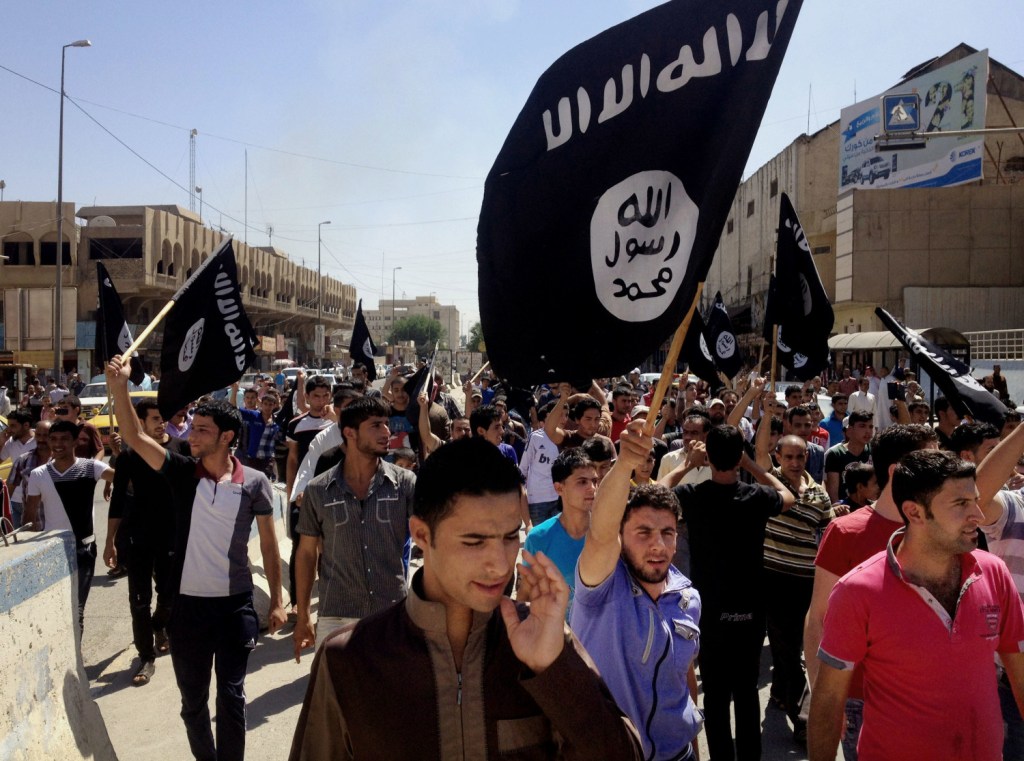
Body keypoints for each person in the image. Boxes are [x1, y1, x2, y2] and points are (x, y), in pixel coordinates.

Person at [289, 437, 643, 760]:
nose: (500, 563)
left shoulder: (543, 643)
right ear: (421, 535)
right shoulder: (350, 659)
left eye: (509, 537)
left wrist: (554, 671)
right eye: (474, 542)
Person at [106, 355, 286, 761]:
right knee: (193, 705)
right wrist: (120, 387)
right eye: (192, 427)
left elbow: (271, 547)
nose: (191, 435)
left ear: (226, 437)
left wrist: (277, 598)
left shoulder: (255, 484)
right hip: (186, 612)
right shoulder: (181, 473)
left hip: (234, 607)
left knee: (231, 697)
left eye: (202, 430)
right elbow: (135, 437)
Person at [808, 450, 1024, 761]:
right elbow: (828, 702)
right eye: (961, 504)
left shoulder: (993, 573)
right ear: (915, 513)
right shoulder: (857, 591)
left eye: (974, 500)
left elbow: (1020, 673)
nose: (977, 514)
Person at [803, 424, 939, 761]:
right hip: (861, 700)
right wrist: (824, 700)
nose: (942, 472)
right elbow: (818, 617)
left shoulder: (943, 532)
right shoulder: (845, 532)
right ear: (896, 472)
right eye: (931, 462)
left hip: (932, 698)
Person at [571, 423, 702, 760]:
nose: (657, 545)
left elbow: (684, 681)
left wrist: (694, 745)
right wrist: (625, 463)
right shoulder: (602, 586)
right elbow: (600, 530)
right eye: (643, 532)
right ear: (621, 534)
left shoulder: (688, 598)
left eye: (667, 533)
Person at [674, 424, 794, 761]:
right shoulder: (755, 497)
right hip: (750, 607)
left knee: (714, 692)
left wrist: (686, 464)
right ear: (738, 457)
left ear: (708, 457)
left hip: (709, 609)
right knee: (745, 688)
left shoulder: (693, 496)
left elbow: (655, 489)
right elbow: (789, 496)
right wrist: (753, 466)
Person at [292, 397, 416, 655]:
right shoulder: (318, 490)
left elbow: (432, 541)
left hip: (391, 613)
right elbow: (305, 554)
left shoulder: (405, 484)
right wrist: (303, 614)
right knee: (337, 694)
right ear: (349, 433)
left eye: (386, 424)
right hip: (335, 616)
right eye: (376, 425)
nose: (386, 432)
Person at [104, 398, 192, 685]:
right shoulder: (129, 457)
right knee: (138, 601)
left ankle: (159, 625)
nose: (160, 424)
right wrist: (109, 541)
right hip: (137, 536)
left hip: (173, 535)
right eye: (154, 419)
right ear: (140, 422)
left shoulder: (182, 449)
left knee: (169, 595)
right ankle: (146, 658)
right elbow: (117, 501)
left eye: (162, 418)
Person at [756, 427, 833, 743]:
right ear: (778, 457)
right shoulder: (772, 483)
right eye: (788, 456)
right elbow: (758, 453)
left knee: (793, 646)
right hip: (772, 578)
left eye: (800, 456)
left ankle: (779, 693)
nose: (795, 461)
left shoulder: (819, 494)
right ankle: (804, 719)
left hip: (805, 580)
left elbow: (828, 535)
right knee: (787, 648)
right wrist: (768, 411)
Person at [23, 420, 115, 632]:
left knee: (77, 609)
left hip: (84, 550)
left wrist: (119, 453)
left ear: (76, 442)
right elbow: (30, 518)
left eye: (64, 439)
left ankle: (76, 662)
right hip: (53, 550)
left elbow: (125, 480)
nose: (58, 444)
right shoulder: (38, 474)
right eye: (53, 439)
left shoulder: (91, 467)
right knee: (58, 609)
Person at [524, 449, 598, 619]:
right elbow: (527, 596)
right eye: (582, 482)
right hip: (558, 639)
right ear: (559, 488)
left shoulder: (607, 534)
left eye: (594, 481)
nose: (592, 488)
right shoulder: (538, 538)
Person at [5, 420, 50, 529]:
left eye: (46, 435)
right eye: (38, 435)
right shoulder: (23, 460)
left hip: (56, 526)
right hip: (31, 527)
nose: (41, 439)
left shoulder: (60, 461)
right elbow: (7, 493)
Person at [823, 410, 874, 504]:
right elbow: (833, 493)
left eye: (870, 427)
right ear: (850, 430)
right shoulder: (835, 453)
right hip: (844, 508)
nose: (868, 431)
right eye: (862, 426)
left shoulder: (874, 451)